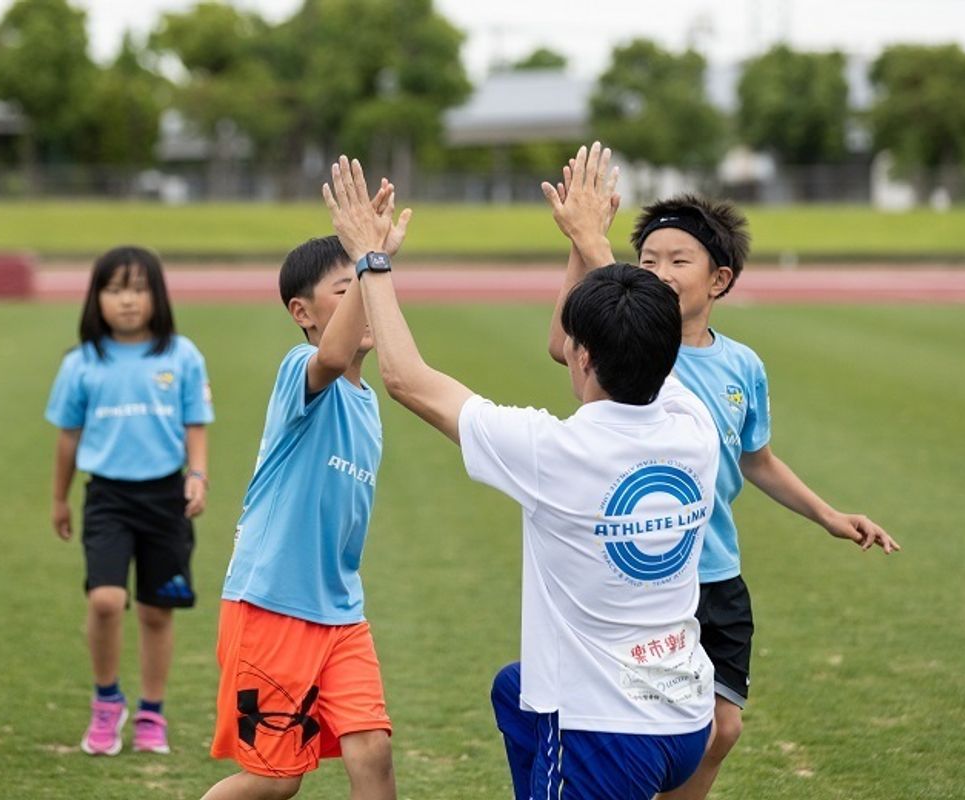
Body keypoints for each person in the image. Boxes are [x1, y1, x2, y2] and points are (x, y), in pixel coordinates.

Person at [327, 157, 720, 800]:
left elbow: (406, 379)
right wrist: (585, 239)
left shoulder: (556, 453)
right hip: (685, 716)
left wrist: (369, 258)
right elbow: (623, 331)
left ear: (583, 354)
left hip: (608, 732)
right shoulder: (690, 418)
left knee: (540, 708)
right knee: (518, 689)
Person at [542, 142, 901, 800]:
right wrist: (582, 243)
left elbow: (755, 458)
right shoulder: (635, 346)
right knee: (649, 726)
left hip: (718, 572)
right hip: (649, 574)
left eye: (679, 260)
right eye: (647, 260)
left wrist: (828, 515)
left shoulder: (743, 366)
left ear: (721, 279)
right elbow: (563, 343)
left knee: (722, 729)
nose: (660, 271)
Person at [201, 158, 410, 800]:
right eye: (347, 290)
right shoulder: (303, 371)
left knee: (372, 750)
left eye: (369, 283)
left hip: (339, 610)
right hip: (272, 605)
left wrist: (367, 263)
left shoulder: (367, 401)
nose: (366, 296)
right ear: (302, 311)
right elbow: (333, 355)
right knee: (277, 780)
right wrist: (367, 254)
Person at [45, 245, 214, 757]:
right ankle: (106, 700)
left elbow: (195, 424)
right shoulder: (81, 363)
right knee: (105, 599)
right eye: (115, 289)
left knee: (157, 611)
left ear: (157, 297)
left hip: (165, 497)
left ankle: (151, 713)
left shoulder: (181, 355)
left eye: (138, 289)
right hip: (108, 499)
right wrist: (60, 499)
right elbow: (68, 439)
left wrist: (198, 475)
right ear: (96, 298)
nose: (127, 301)